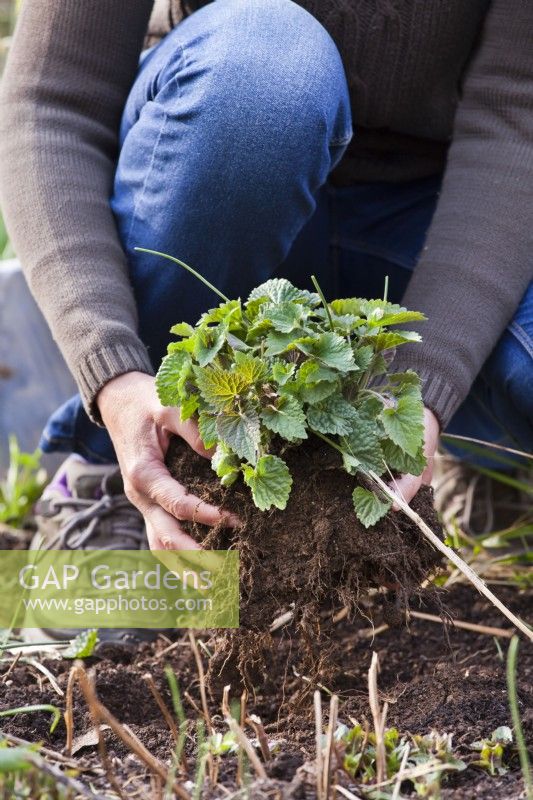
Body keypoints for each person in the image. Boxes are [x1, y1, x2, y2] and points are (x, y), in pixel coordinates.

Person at [0, 0, 532, 633]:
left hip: (447, 218)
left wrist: (432, 383)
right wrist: (110, 371)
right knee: (263, 74)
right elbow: (53, 102)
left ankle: (495, 466)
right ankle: (114, 470)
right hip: (225, 175)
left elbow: (515, 115)